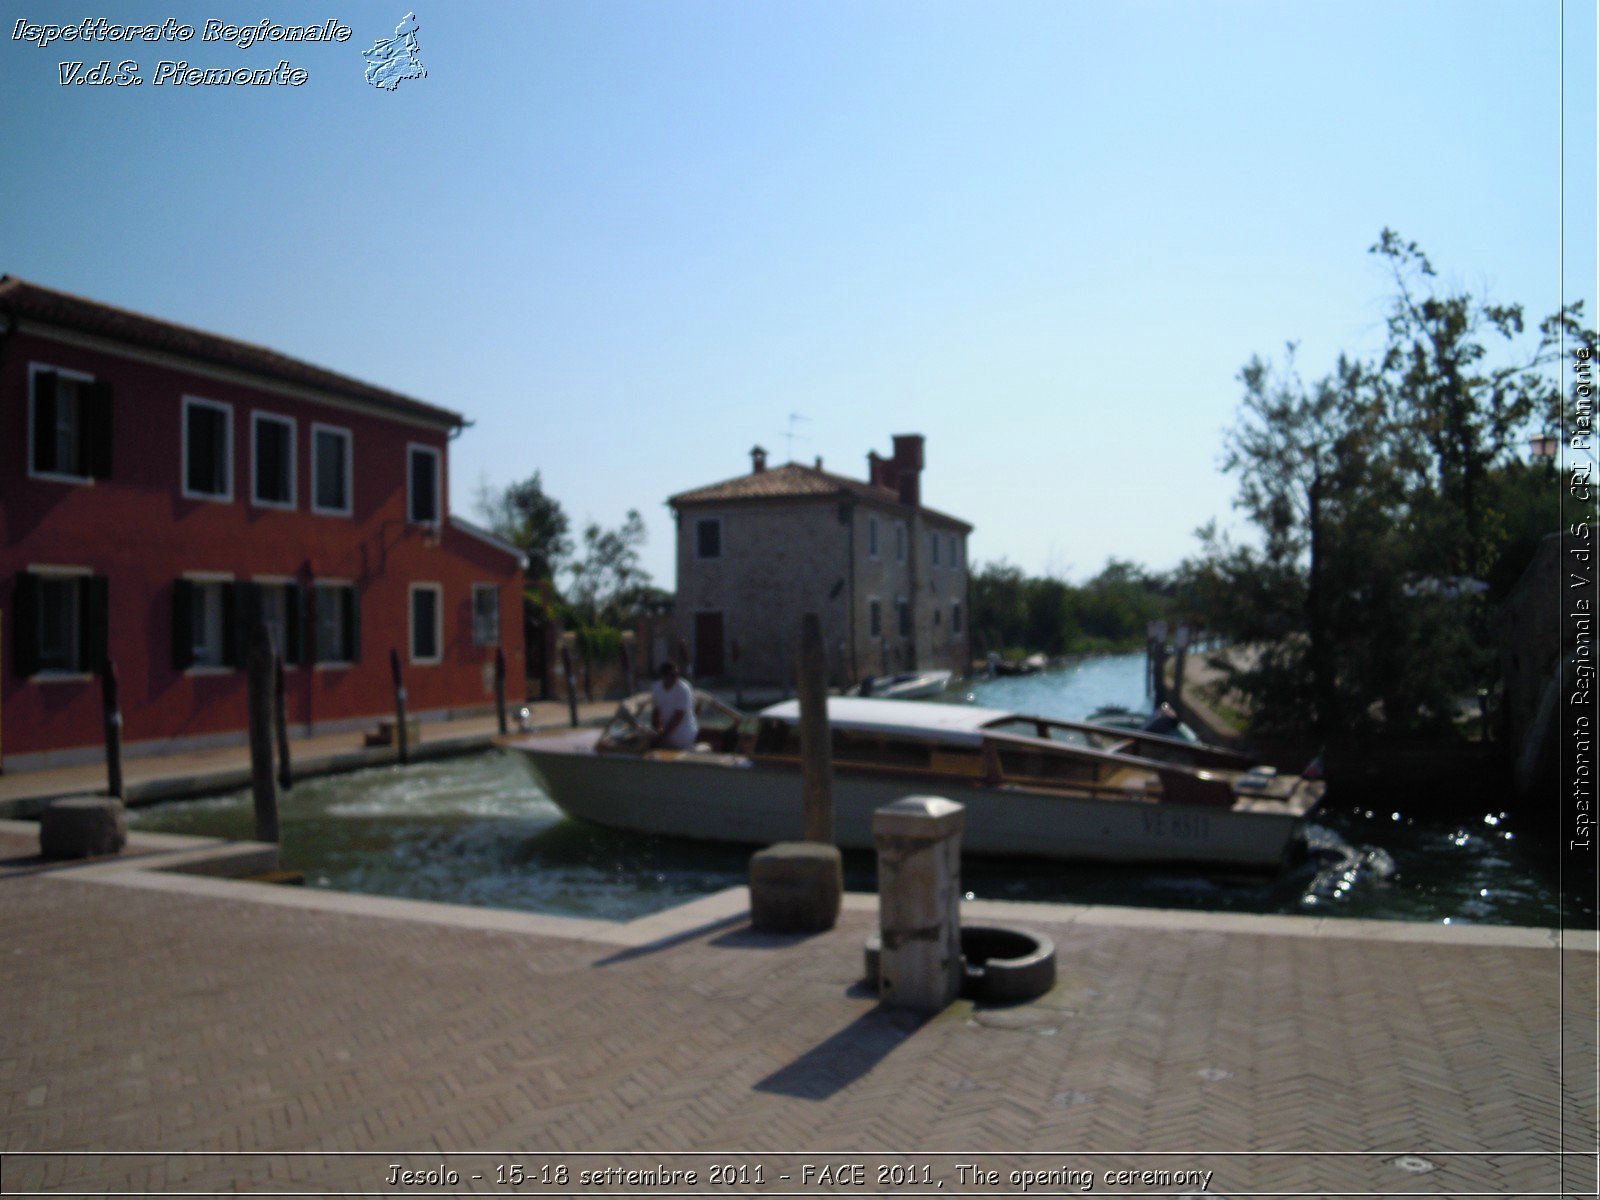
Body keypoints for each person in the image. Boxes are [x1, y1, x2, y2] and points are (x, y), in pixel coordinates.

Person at [650, 661, 698, 750]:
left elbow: (678, 716)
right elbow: (656, 711)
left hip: (683, 736)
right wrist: (655, 730)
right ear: (664, 676)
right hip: (665, 735)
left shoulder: (683, 689)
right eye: (672, 675)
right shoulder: (656, 687)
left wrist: (662, 736)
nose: (676, 678)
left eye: (677, 674)